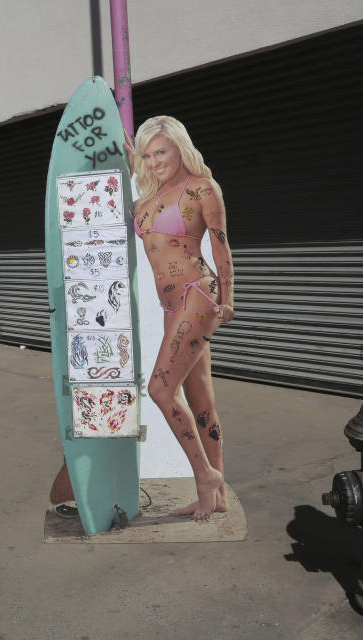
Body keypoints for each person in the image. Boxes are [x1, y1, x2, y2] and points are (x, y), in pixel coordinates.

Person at [124, 116, 236, 521]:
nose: (155, 161)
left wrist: (229, 298)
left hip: (198, 295)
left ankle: (206, 477)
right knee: (200, 396)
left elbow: (221, 247)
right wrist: (128, 147)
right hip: (172, 305)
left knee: (159, 390)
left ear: (179, 148)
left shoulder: (201, 188)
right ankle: (219, 494)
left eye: (162, 152)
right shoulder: (153, 193)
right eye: (149, 154)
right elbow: (140, 162)